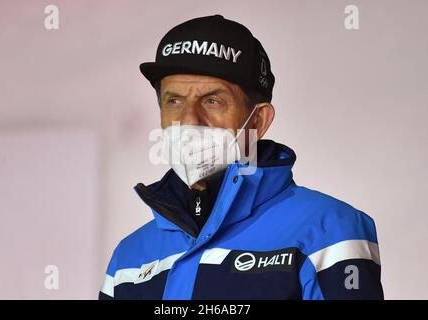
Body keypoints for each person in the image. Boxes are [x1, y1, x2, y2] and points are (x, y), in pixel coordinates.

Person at [99, 14, 384, 300]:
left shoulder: (330, 229)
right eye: (174, 100)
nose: (189, 119)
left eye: (213, 100)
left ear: (258, 120)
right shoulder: (129, 258)